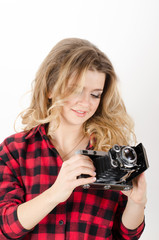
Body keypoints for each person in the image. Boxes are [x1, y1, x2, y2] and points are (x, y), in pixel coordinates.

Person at [0, 38, 147, 240]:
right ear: (50, 88)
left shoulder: (111, 154)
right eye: (76, 90)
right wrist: (56, 192)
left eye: (95, 95)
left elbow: (125, 235)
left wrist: (137, 203)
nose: (86, 103)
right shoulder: (14, 150)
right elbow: (6, 227)